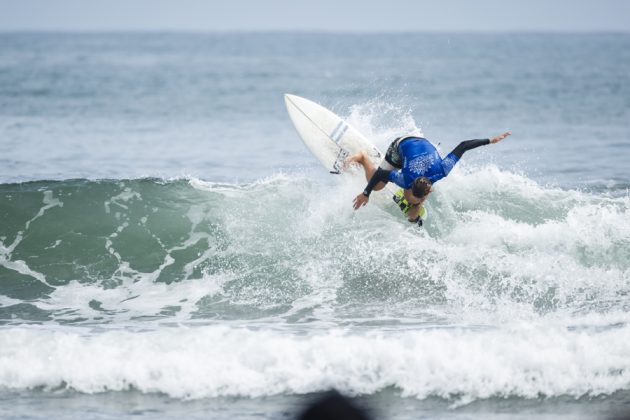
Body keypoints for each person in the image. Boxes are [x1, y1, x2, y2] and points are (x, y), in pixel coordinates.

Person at [348, 131, 512, 222]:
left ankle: (413, 204)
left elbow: (464, 145)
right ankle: (363, 157)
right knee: (377, 185)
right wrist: (366, 193)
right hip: (400, 145)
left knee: (412, 198)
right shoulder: (406, 179)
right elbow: (380, 174)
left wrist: (491, 140)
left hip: (420, 142)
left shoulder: (442, 169)